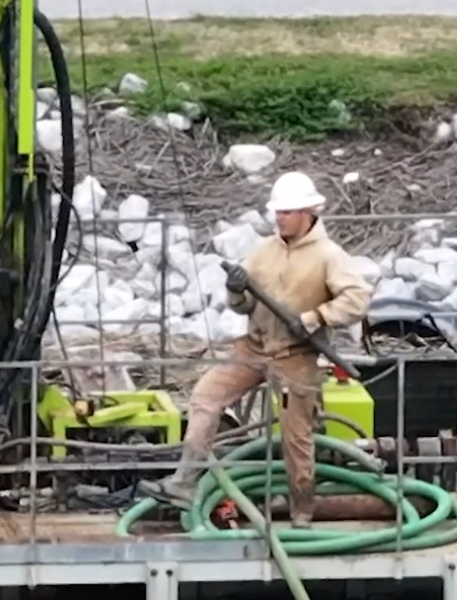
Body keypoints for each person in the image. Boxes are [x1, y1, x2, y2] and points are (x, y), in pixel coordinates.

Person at [151, 171, 373, 529]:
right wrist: (236, 290)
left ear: (306, 212)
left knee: (295, 436)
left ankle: (302, 511)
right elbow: (241, 306)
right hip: (254, 348)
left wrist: (317, 317)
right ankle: (185, 482)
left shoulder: (328, 256)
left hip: (295, 357)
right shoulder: (265, 252)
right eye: (278, 212)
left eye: (286, 212)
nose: (279, 218)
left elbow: (358, 299)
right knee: (206, 396)